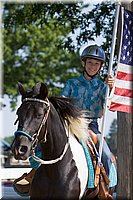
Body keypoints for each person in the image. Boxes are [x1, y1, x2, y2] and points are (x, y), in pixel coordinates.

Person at [13, 44, 115, 195]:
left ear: (100, 66)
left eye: (96, 64)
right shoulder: (71, 83)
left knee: (106, 154)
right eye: (90, 63)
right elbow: (62, 102)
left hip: (90, 126)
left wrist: (110, 90)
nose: (93, 66)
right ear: (83, 63)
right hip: (70, 123)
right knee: (43, 146)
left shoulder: (102, 86)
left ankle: (105, 188)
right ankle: (35, 174)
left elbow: (109, 106)